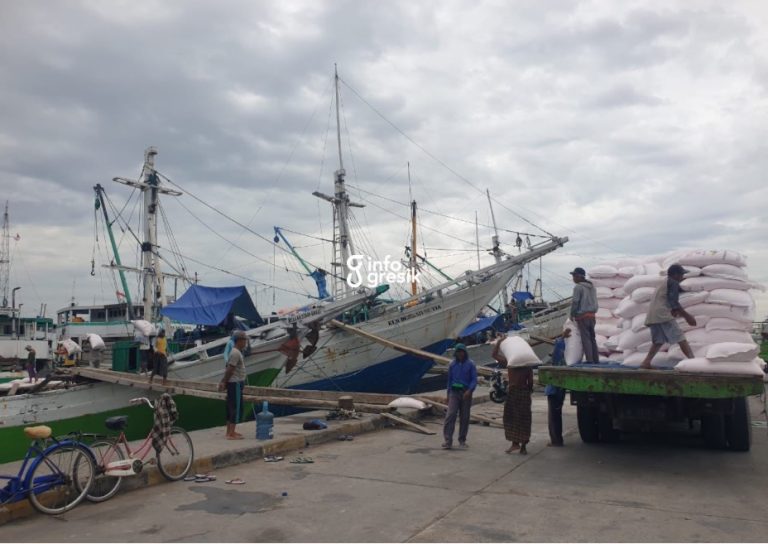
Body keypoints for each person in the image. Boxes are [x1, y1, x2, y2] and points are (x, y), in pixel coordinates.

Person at [641, 264, 697, 369]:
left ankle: (646, 362)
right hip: (662, 314)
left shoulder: (664, 282)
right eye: (681, 274)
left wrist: (674, 310)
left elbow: (667, 300)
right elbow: (674, 302)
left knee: (658, 341)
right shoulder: (673, 283)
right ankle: (693, 362)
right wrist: (687, 317)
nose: (682, 277)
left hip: (653, 315)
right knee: (680, 337)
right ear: (675, 275)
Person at [492, 337, 534, 455]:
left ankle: (516, 444)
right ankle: (521, 446)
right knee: (523, 419)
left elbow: (494, 354)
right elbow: (530, 383)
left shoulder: (510, 363)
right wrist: (529, 391)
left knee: (512, 418)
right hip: (524, 393)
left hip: (513, 392)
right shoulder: (526, 367)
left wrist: (499, 342)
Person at [441, 343, 477, 450]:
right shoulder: (452, 365)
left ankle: (462, 440)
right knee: (450, 415)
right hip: (454, 392)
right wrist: (448, 394)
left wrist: (470, 390)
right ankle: (448, 440)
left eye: (462, 352)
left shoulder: (471, 364)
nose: (460, 354)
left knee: (464, 417)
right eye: (458, 352)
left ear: (465, 353)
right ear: (455, 353)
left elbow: (474, 379)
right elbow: (449, 380)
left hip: (466, 392)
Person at [218, 330, 247, 440]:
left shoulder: (236, 352)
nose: (246, 343)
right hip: (235, 383)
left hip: (234, 383)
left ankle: (229, 432)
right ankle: (231, 433)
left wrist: (224, 382)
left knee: (231, 407)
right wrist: (224, 381)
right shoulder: (235, 353)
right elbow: (230, 369)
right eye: (244, 340)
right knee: (235, 407)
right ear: (239, 341)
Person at [545, 328, 570, 447]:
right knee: (556, 414)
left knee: (553, 416)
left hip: (554, 388)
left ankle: (556, 440)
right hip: (560, 387)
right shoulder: (567, 358)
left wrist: (562, 337)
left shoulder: (559, 358)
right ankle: (556, 439)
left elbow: (557, 350)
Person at [569, 267, 599, 363]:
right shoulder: (592, 287)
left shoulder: (578, 287)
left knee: (585, 339)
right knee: (592, 338)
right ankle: (595, 359)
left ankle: (590, 360)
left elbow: (575, 302)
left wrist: (572, 314)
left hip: (582, 317)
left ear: (579, 277)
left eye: (574, 276)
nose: (573, 278)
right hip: (592, 316)